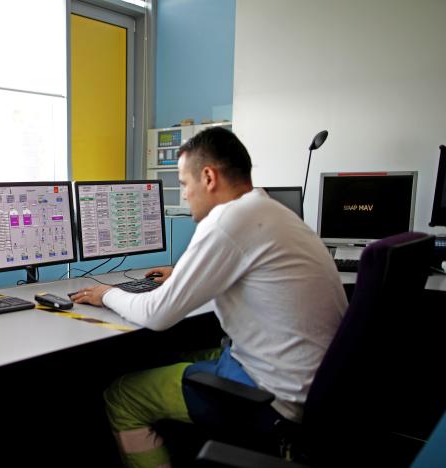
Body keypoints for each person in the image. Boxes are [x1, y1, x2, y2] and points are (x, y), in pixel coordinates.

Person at [70, 127, 347, 468]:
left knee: (122, 396)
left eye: (185, 184)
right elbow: (255, 282)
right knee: (174, 354)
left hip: (273, 396)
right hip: (310, 383)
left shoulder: (228, 221)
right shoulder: (272, 213)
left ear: (208, 177)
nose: (184, 195)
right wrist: (186, 275)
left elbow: (157, 314)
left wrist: (106, 294)